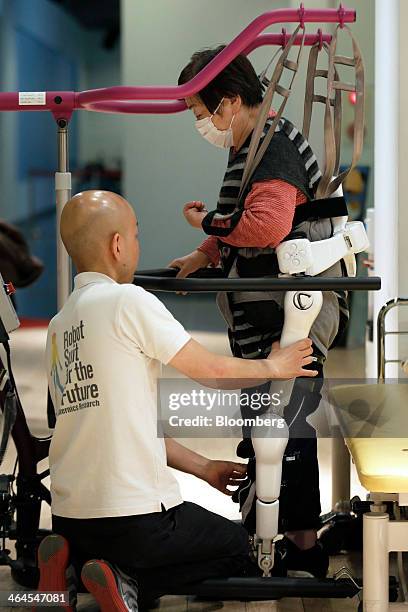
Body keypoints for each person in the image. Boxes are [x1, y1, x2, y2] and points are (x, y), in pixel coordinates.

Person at [41, 190, 316, 611]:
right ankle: (124, 579)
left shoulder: (59, 327)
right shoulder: (126, 300)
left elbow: (116, 424)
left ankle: (69, 573)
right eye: (135, 235)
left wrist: (204, 468)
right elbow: (210, 371)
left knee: (111, 552)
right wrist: (274, 366)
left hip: (69, 518)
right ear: (118, 245)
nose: (137, 244)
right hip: (135, 522)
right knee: (234, 549)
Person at [169, 46, 350, 578]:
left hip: (290, 322)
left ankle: (296, 550)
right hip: (268, 322)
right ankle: (287, 541)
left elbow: (268, 227)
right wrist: (202, 255)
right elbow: (248, 223)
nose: (201, 125)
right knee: (268, 428)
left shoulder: (272, 148)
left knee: (283, 430)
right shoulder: (251, 146)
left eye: (202, 115)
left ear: (228, 102)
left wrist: (208, 227)